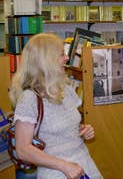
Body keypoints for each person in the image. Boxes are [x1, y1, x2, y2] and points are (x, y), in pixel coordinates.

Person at [9, 33, 103, 179]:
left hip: (83, 164)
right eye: (61, 55)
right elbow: (23, 149)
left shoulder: (65, 88)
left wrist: (84, 130)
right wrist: (64, 166)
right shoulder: (29, 99)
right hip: (56, 172)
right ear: (46, 62)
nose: (67, 58)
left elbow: (66, 127)